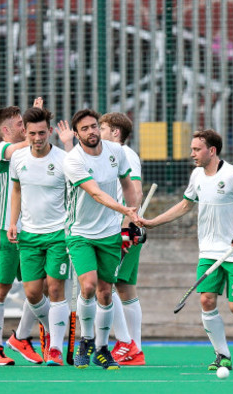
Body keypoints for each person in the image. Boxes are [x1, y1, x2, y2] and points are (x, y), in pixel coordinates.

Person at [139, 129, 233, 371]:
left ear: (211, 151)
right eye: (192, 149)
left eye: (196, 149)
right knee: (206, 300)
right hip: (208, 251)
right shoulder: (196, 176)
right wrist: (153, 221)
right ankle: (222, 355)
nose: (192, 154)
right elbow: (184, 205)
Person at [62, 109, 141, 370]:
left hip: (109, 233)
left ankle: (102, 348)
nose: (91, 131)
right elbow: (95, 193)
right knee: (88, 286)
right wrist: (124, 210)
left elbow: (128, 183)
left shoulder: (115, 152)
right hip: (80, 233)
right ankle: (86, 339)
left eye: (94, 126)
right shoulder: (73, 160)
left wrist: (133, 215)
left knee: (106, 293)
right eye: (84, 129)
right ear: (77, 134)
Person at [7, 106, 69, 366]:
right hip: (29, 235)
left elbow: (79, 193)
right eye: (32, 133)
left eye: (42, 133)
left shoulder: (65, 159)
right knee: (32, 293)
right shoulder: (18, 159)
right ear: (26, 133)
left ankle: (55, 347)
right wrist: (13, 222)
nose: (37, 138)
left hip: (59, 233)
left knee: (55, 288)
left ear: (50, 132)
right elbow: (17, 191)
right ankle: (54, 328)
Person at [0, 101, 44, 366]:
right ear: (7, 130)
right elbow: (25, 146)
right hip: (1, 229)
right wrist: (36, 127)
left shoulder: (26, 153)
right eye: (21, 125)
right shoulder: (1, 150)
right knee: (1, 287)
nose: (27, 129)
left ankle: (20, 337)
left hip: (28, 230)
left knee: (37, 287)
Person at [99, 112, 145, 365]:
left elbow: (135, 190)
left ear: (115, 132)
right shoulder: (109, 155)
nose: (98, 132)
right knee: (124, 287)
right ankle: (134, 348)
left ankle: (128, 344)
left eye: (103, 128)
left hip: (121, 229)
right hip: (118, 227)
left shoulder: (124, 154)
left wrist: (127, 229)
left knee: (104, 284)